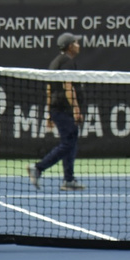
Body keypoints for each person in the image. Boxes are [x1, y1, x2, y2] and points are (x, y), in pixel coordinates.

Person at [28, 33, 85, 192]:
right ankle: (38, 168)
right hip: (63, 109)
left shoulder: (56, 62)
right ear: (69, 46)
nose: (78, 45)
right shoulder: (66, 61)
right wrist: (76, 109)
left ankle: (68, 180)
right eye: (75, 42)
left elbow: (49, 89)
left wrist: (48, 114)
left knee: (71, 142)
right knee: (68, 143)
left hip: (57, 109)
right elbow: (68, 86)